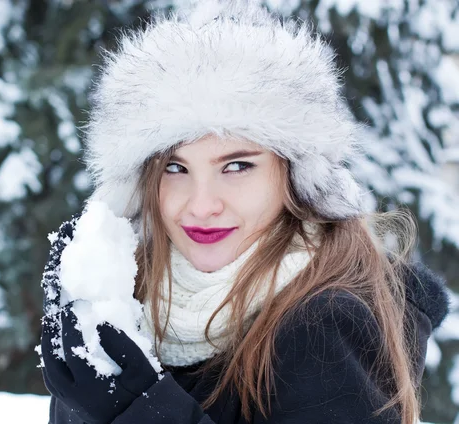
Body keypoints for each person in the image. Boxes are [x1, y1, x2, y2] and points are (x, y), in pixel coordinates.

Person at [39, 1, 450, 423]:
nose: (201, 205)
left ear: (293, 174)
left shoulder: (326, 324)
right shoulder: (130, 301)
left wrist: (139, 409)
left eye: (237, 166)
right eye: (175, 168)